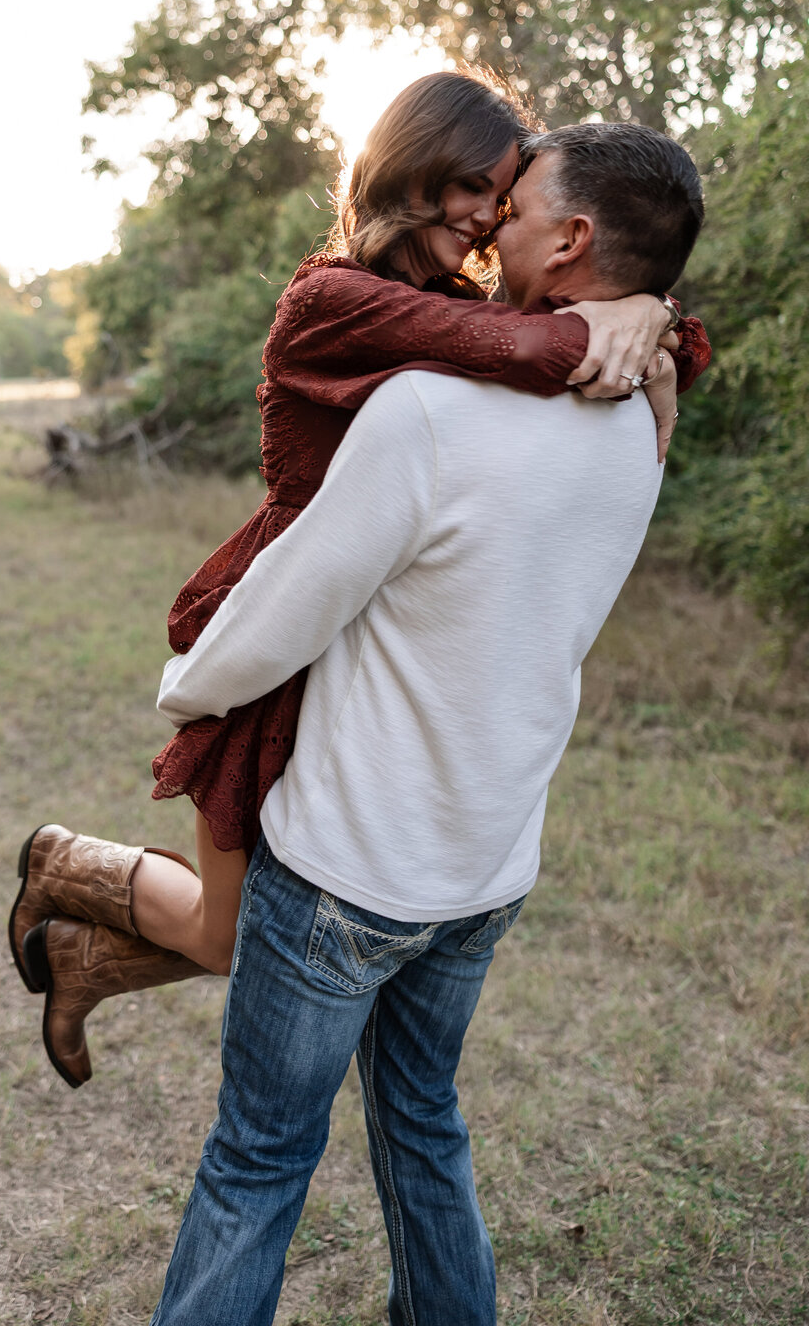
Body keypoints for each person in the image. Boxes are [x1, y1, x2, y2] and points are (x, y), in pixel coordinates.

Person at [9, 73, 711, 1087]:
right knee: (228, 938)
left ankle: (76, 947)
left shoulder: (450, 295)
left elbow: (541, 349)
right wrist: (644, 317)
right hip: (286, 631)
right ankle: (62, 864)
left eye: (504, 200)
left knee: (249, 939)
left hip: (361, 650)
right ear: (406, 170)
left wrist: (650, 314)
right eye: (475, 190)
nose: (484, 220)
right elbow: (522, 343)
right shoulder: (328, 303)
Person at [139, 120, 706, 1325]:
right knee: (424, 1133)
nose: (493, 226)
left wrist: (187, 691)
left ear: (574, 237)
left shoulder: (430, 414)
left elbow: (291, 606)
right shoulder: (642, 425)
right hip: (486, 867)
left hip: (349, 866)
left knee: (258, 1161)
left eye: (518, 207)